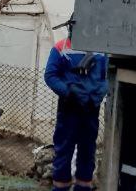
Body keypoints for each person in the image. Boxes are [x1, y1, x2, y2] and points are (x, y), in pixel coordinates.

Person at [45, 33, 108, 191]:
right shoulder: (61, 47)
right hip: (69, 108)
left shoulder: (102, 50)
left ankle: (83, 187)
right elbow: (50, 75)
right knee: (64, 150)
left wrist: (96, 96)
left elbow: (107, 78)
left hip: (91, 108)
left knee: (87, 150)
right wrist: (68, 91)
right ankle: (60, 187)